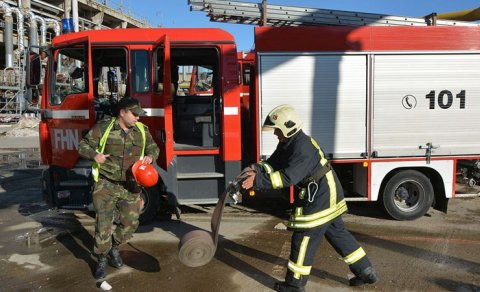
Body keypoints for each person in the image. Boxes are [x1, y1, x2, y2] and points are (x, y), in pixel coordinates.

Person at [241, 104, 378, 292]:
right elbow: (274, 163)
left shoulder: (301, 148)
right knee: (337, 233)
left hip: (320, 195)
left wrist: (257, 181)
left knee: (303, 238)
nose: (275, 134)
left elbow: (288, 177)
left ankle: (295, 285)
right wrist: (257, 168)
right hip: (326, 191)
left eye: (277, 130)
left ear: (288, 128)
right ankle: (365, 271)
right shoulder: (290, 143)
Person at [78, 97, 160, 279]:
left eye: (139, 115)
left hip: (130, 185)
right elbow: (82, 146)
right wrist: (94, 155)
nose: (138, 118)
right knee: (103, 224)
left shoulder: (141, 130)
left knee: (130, 223)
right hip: (106, 184)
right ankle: (101, 259)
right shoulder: (103, 128)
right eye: (134, 114)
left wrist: (150, 156)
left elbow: (154, 147)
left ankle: (113, 248)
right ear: (122, 112)